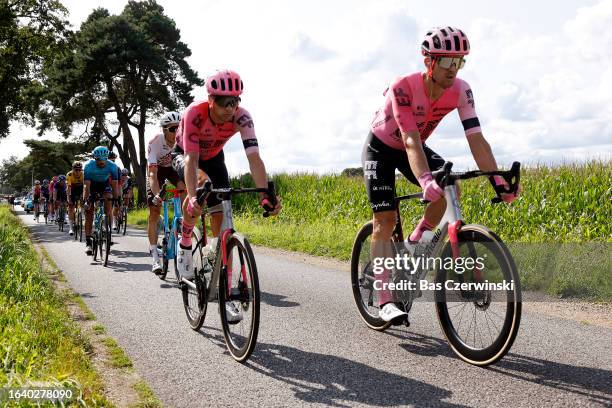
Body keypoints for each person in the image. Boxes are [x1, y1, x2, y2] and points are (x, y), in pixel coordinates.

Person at [363, 26, 521, 323]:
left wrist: (498, 182)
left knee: (450, 187)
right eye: (447, 61)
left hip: (414, 145)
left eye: (459, 61)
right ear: (429, 62)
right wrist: (424, 180)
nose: (454, 69)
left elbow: (477, 139)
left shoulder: (461, 90)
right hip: (382, 148)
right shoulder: (403, 87)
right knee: (384, 220)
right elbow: (409, 139)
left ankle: (414, 243)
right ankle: (385, 299)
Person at [172, 69, 281, 322]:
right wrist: (191, 197)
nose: (231, 108)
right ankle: (185, 242)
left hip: (214, 158)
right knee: (201, 189)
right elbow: (191, 159)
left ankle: (226, 291)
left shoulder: (242, 118)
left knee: (222, 223)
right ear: (210, 100)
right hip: (187, 155)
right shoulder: (194, 114)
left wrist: (265, 194)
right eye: (225, 103)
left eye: (236, 101)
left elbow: (254, 158)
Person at [146, 111, 184, 274]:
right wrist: (156, 195)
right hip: (159, 171)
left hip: (175, 169)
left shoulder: (184, 139)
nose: (177, 132)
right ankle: (155, 257)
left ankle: (182, 221)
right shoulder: (155, 142)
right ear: (164, 130)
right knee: (154, 211)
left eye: (180, 127)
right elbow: (153, 175)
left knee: (184, 187)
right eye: (172, 128)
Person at [83, 146, 120, 255]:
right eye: (99, 159)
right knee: (89, 212)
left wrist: (117, 199)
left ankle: (106, 227)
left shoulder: (113, 166)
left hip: (104, 185)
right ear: (95, 158)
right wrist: (86, 199)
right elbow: (86, 186)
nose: (102, 161)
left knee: (108, 199)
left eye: (104, 159)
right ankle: (88, 242)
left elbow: (114, 185)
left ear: (107, 158)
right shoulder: (89, 166)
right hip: (92, 186)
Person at [67, 161, 84, 235]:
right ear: (72, 169)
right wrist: (69, 198)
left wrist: (84, 197)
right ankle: (71, 228)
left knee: (84, 202)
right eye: (76, 169)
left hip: (81, 188)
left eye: (79, 169)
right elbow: (68, 188)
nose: (77, 171)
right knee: (71, 207)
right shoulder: (69, 174)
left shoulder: (83, 174)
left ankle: (81, 216)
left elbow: (85, 187)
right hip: (72, 189)